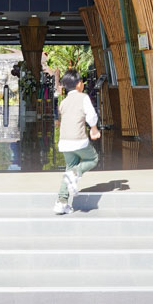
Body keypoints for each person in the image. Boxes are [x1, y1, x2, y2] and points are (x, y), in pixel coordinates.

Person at [53, 71, 101, 215]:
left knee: (69, 167)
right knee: (93, 159)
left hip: (64, 142)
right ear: (79, 84)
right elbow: (91, 116)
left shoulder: (64, 101)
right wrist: (93, 129)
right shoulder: (83, 97)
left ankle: (61, 202)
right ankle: (75, 173)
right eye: (82, 81)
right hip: (78, 140)